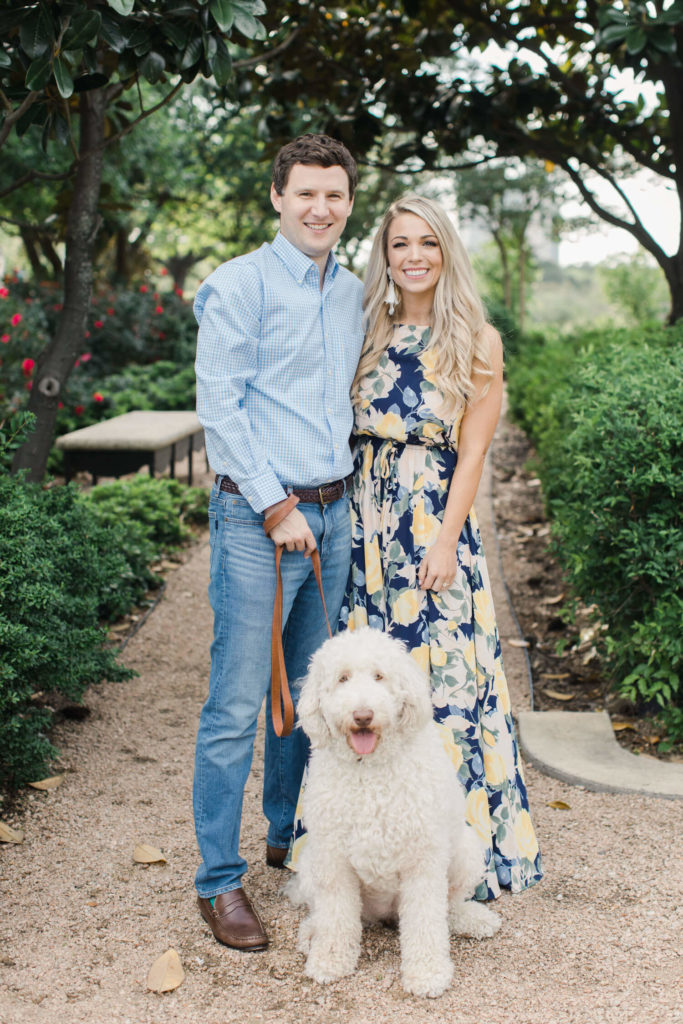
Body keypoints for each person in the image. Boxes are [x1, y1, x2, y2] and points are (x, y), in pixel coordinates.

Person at [290, 194, 542, 899]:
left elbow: (472, 455)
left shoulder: (475, 339)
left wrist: (443, 540)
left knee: (446, 684)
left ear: (445, 252)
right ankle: (351, 866)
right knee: (363, 689)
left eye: (426, 242)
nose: (413, 256)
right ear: (384, 255)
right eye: (399, 243)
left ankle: (454, 865)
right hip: (362, 525)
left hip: (431, 526)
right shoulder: (366, 327)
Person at [193, 134, 364, 951]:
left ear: (348, 202)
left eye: (333, 195)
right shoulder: (240, 286)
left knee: (305, 700)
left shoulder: (352, 290)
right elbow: (219, 410)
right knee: (236, 703)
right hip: (260, 522)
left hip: (333, 517)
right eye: (305, 194)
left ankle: (286, 833)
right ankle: (219, 885)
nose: (319, 208)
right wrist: (273, 507)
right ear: (277, 197)